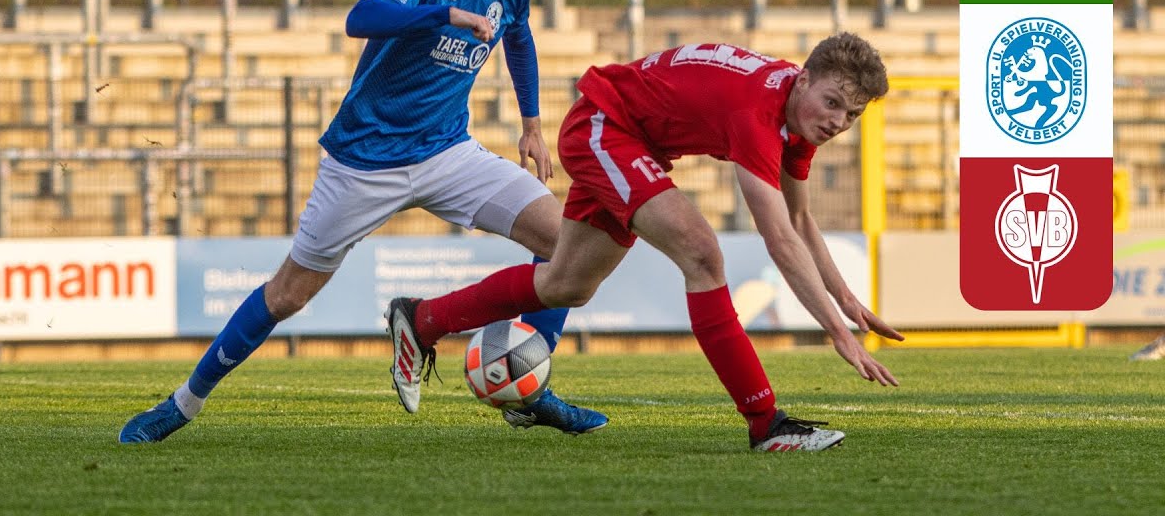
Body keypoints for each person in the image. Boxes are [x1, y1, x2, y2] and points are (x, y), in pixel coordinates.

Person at [119, 0, 607, 443]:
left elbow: (520, 38)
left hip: (448, 152)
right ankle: (182, 404)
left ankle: (526, 387)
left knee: (565, 243)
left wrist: (531, 123)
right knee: (287, 295)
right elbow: (362, 17)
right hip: (364, 162)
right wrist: (443, 14)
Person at [387, 33, 906, 452]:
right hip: (605, 128)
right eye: (833, 103)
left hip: (626, 137)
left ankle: (422, 319)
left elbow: (799, 218)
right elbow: (781, 241)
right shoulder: (758, 114)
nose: (838, 122)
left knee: (566, 285)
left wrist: (847, 303)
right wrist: (837, 333)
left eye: (852, 115)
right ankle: (766, 422)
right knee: (702, 254)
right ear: (803, 79)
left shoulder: (797, 117)